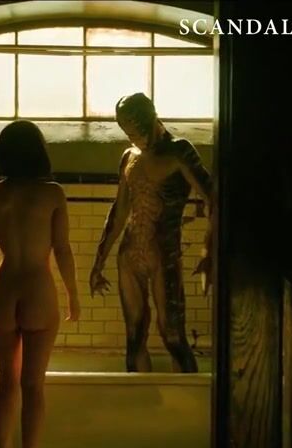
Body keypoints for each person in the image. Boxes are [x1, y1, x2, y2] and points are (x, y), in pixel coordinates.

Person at [0, 120, 81, 448]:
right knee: (33, 385)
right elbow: (62, 249)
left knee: (8, 382)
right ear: (39, 153)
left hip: (5, 290)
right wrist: (73, 295)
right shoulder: (53, 194)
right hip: (38, 289)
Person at [89, 93, 214, 373]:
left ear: (150, 120)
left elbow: (213, 199)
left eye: (135, 131)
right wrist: (99, 262)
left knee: (172, 335)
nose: (131, 138)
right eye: (126, 132)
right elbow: (119, 212)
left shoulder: (179, 152)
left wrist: (209, 250)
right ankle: (137, 397)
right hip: (130, 255)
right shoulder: (129, 157)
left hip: (163, 254)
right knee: (134, 335)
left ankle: (188, 396)